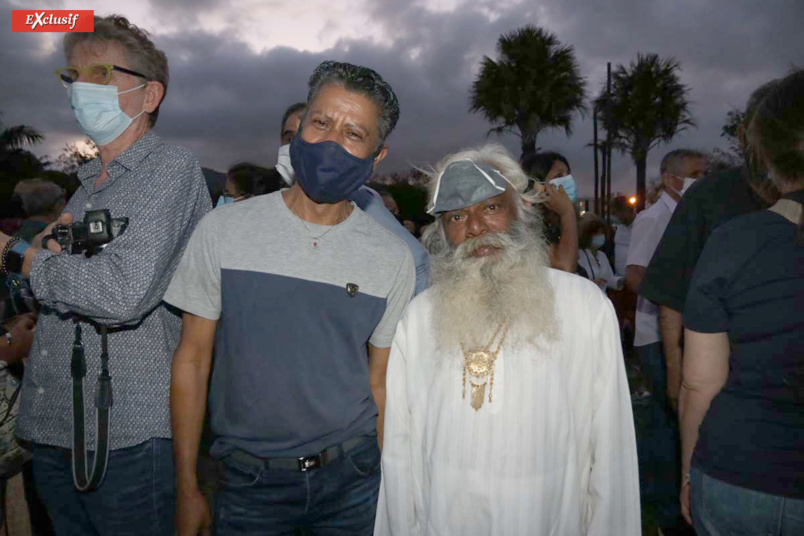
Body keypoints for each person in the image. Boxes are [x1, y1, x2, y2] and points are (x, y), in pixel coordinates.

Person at [166, 60, 416, 536]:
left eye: (353, 133)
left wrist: (389, 487)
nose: (330, 142)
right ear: (299, 128)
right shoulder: (224, 230)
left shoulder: (392, 257)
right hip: (247, 484)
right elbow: (192, 360)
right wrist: (187, 487)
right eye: (321, 123)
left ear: (377, 155)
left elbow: (380, 383)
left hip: (354, 481)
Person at [0, 15, 211, 535]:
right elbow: (69, 285)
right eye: (72, 76)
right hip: (52, 428)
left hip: (127, 436)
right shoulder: (86, 185)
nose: (79, 89)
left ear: (150, 94)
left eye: (100, 74)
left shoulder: (171, 171)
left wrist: (22, 256)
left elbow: (122, 294)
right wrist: (52, 257)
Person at [375, 143, 640, 536]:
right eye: (457, 216)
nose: (475, 227)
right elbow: (399, 449)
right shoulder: (418, 319)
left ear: (522, 211)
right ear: (442, 233)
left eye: (491, 208)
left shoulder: (583, 306)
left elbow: (610, 446)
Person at [679, 69, 804, 535]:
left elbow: (700, 383)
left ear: (767, 152)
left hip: (742, 477)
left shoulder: (736, 241)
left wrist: (688, 472)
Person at [640, 79, 781, 411]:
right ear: (748, 133)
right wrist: (676, 376)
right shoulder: (709, 197)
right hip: (727, 379)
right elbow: (668, 294)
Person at [625, 149, 706, 534]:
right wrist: (677, 301)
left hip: (682, 335)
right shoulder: (652, 218)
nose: (702, 179)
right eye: (696, 173)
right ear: (671, 179)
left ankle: (676, 498)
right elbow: (635, 277)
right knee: (663, 423)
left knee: (678, 421)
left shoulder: (688, 217)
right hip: (656, 338)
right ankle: (660, 507)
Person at [272, 101, 431, 294]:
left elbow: (418, 264)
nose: (297, 145)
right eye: (289, 138)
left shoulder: (357, 199)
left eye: (309, 134)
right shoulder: (273, 206)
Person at [521, 151, 579, 273]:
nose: (568, 180)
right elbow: (565, 266)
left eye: (568, 174)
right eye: (559, 176)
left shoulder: (553, 222)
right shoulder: (526, 224)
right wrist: (567, 213)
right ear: (538, 185)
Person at [578, 213, 622, 291]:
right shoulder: (579, 255)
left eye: (602, 233)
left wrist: (621, 281)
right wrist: (591, 283)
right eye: (596, 233)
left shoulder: (602, 255)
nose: (601, 236)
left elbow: (608, 279)